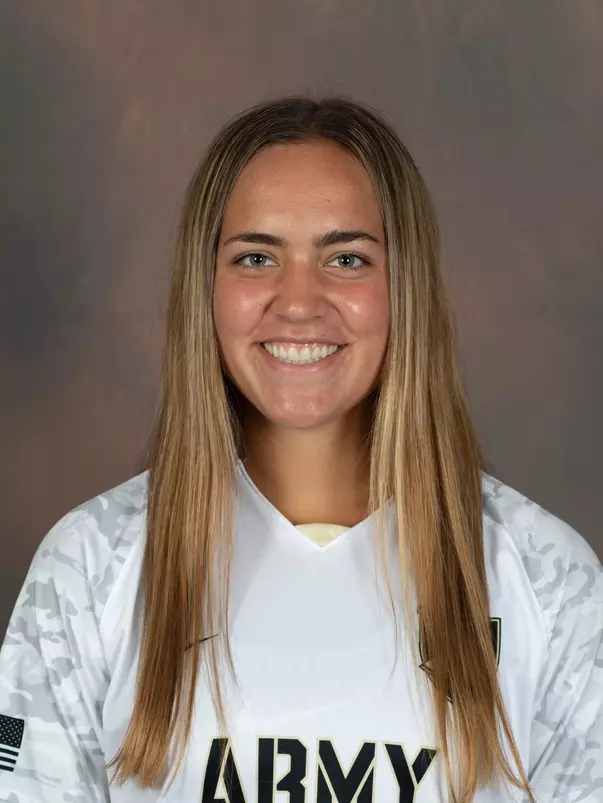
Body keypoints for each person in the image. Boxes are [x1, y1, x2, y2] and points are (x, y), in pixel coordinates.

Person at [0, 96, 601, 803]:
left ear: (404, 288)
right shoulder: (91, 568)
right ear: (208, 289)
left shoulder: (543, 578)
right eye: (256, 257)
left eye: (346, 258)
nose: (297, 301)